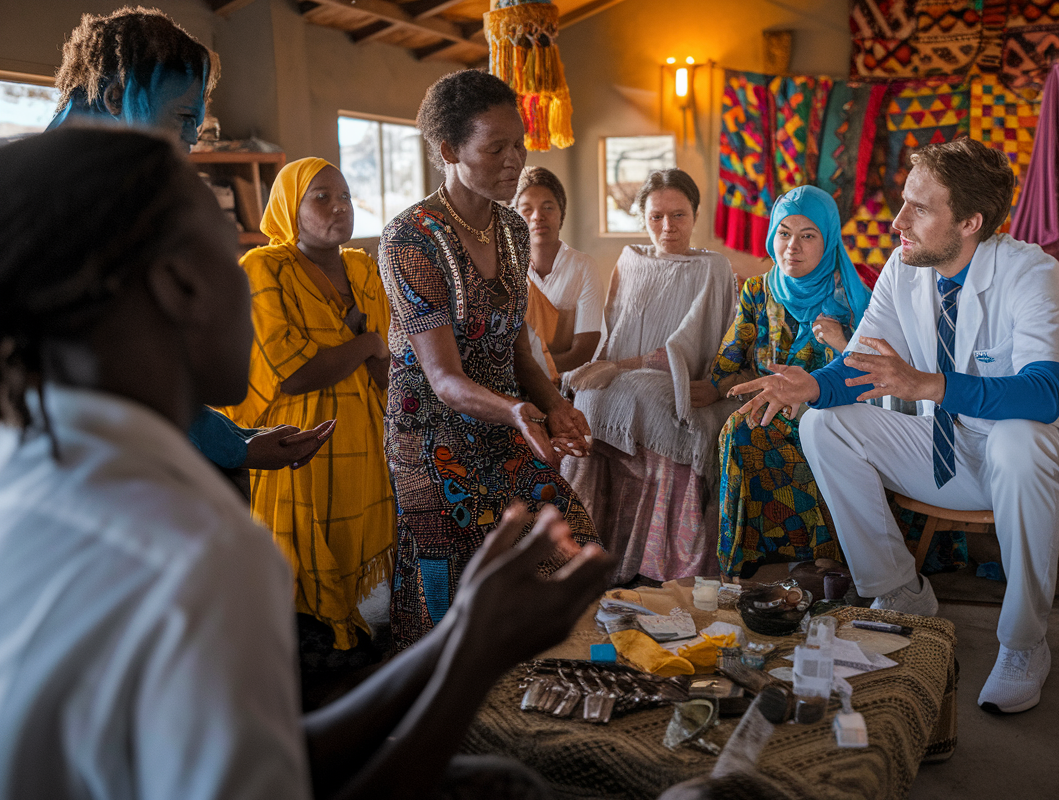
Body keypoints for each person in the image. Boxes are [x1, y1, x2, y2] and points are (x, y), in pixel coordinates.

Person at [0, 126, 612, 800]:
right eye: (227, 251)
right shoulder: (193, 549)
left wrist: (461, 639)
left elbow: (285, 751)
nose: (252, 271)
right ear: (180, 284)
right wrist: (474, 663)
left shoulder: (32, 478)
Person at [733, 138, 1059, 714]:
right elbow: (858, 365)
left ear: (970, 222)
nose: (896, 222)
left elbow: (1044, 392)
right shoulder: (906, 266)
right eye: (903, 202)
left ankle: (1024, 643)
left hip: (1045, 470)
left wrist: (927, 385)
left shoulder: (1030, 272)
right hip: (951, 454)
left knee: (1017, 435)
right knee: (823, 424)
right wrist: (811, 385)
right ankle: (900, 593)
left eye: (919, 208)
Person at [46, 5, 332, 476]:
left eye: (195, 127)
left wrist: (236, 436)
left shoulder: (91, 183)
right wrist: (236, 448)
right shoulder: (68, 198)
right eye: (181, 118)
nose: (190, 140)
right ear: (116, 96)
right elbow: (118, 369)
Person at [380, 70, 599, 651]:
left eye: (519, 144)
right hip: (432, 435)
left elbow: (515, 345)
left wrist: (554, 405)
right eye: (495, 147)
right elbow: (445, 378)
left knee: (565, 541)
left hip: (508, 420)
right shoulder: (411, 238)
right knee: (446, 581)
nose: (514, 160)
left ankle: (530, 681)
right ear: (449, 150)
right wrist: (523, 413)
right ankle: (436, 712)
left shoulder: (511, 229)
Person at [217, 158, 395, 652]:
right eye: (320, 196)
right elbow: (293, 374)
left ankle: (347, 654)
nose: (338, 206)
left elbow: (389, 374)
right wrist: (366, 344)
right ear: (288, 207)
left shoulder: (363, 269)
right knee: (297, 577)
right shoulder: (263, 268)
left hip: (365, 443)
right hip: (299, 448)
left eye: (344, 196)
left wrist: (376, 352)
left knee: (354, 566)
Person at [562, 169, 740, 585]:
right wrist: (602, 364)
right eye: (656, 216)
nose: (667, 226)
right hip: (627, 379)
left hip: (682, 382)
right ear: (642, 216)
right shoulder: (630, 260)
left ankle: (662, 564)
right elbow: (615, 328)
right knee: (588, 400)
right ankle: (581, 545)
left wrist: (619, 368)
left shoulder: (713, 268)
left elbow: (688, 346)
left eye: (678, 215)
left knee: (644, 397)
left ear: (695, 215)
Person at [711, 186, 871, 578]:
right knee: (742, 427)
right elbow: (725, 368)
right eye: (783, 233)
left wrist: (840, 342)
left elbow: (878, 373)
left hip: (839, 409)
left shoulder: (853, 298)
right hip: (777, 408)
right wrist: (766, 387)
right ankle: (751, 560)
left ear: (828, 239)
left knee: (813, 429)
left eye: (808, 235)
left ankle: (831, 555)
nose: (792, 247)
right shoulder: (757, 291)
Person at [514, 165, 605, 375]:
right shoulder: (507, 269)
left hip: (565, 385)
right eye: (527, 209)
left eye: (548, 207)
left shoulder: (583, 268)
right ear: (514, 216)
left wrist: (528, 371)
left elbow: (582, 353)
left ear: (561, 212)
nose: (537, 216)